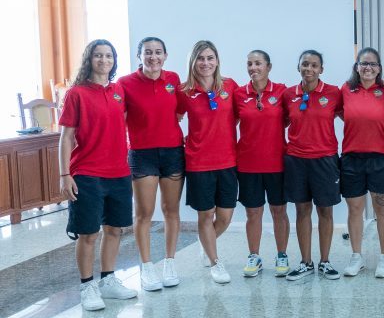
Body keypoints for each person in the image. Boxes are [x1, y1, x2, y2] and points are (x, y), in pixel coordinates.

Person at [59, 39, 137, 310]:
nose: (104, 60)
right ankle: (87, 286)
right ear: (89, 59)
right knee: (88, 233)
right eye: (98, 56)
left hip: (119, 172)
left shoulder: (119, 91)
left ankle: (108, 281)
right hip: (87, 173)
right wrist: (64, 173)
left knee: (115, 229)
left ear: (114, 60)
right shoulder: (76, 93)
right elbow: (66, 137)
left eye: (108, 56)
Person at [117, 36, 184, 291]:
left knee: (171, 211)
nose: (153, 57)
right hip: (142, 154)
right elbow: (119, 118)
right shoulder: (125, 83)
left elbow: (178, 112)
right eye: (148, 52)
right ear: (139, 56)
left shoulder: (173, 80)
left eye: (158, 52)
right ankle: (146, 267)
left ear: (165, 56)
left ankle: (169, 262)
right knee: (144, 213)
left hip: (173, 153)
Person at [176, 40, 238, 285]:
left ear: (217, 61)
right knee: (206, 215)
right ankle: (215, 262)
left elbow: (239, 116)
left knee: (224, 216)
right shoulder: (184, 92)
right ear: (193, 62)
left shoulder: (230, 86)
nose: (205, 63)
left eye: (210, 58)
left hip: (227, 160)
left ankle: (207, 243)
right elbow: (172, 118)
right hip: (199, 162)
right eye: (201, 58)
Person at [280, 49, 342, 281]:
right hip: (296, 160)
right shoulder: (288, 95)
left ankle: (325, 262)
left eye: (314, 65)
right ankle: (306, 262)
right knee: (302, 210)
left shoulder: (334, 93)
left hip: (325, 160)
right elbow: (281, 122)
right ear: (299, 67)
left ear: (321, 69)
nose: (309, 69)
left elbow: (350, 115)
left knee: (325, 210)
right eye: (305, 64)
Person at [339, 47, 384, 278]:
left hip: (380, 157)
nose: (368, 68)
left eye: (373, 64)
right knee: (355, 209)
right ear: (357, 67)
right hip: (352, 158)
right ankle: (357, 257)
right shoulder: (346, 89)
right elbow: (342, 114)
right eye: (364, 63)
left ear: (379, 68)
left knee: (382, 208)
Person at [234, 50, 289, 278]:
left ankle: (282, 254)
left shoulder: (282, 92)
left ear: (269, 66)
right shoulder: (238, 94)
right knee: (253, 213)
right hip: (247, 164)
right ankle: (254, 256)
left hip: (277, 162)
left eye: (258, 63)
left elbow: (290, 119)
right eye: (249, 64)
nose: (253, 68)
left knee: (279, 211)